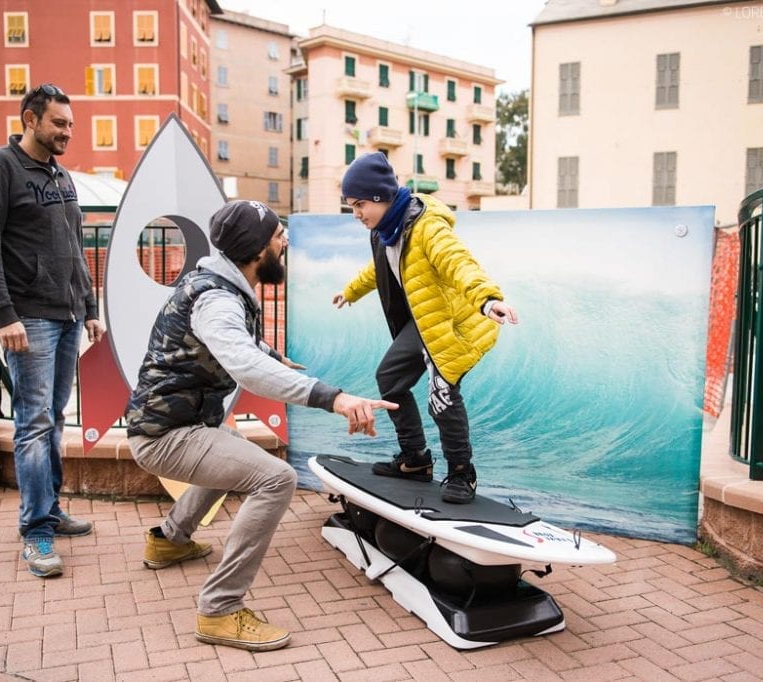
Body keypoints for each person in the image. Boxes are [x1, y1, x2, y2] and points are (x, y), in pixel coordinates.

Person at [125, 199, 396, 652]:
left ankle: (170, 539)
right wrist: (334, 398)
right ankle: (220, 609)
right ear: (256, 248)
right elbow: (243, 363)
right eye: (277, 236)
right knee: (275, 478)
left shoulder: (216, 283)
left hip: (174, 425)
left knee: (233, 449)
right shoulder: (215, 298)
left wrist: (272, 356)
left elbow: (237, 342)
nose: (285, 241)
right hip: (165, 436)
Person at [0, 83, 105, 578]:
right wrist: (4, 314)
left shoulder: (61, 176)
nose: (68, 131)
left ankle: (50, 510)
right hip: (29, 319)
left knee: (55, 418)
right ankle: (36, 532)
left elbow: (74, 245)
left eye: (70, 123)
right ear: (30, 119)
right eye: (59, 123)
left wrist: (89, 304)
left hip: (66, 315)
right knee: (32, 423)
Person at [332, 152, 518, 505]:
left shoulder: (427, 226)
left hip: (456, 320)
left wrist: (488, 299)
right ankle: (415, 459)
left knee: (442, 396)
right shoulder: (386, 230)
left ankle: (463, 472)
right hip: (425, 320)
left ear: (379, 197)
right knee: (389, 378)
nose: (356, 214)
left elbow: (456, 262)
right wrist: (351, 291)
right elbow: (381, 268)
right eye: (351, 206)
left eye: (359, 205)